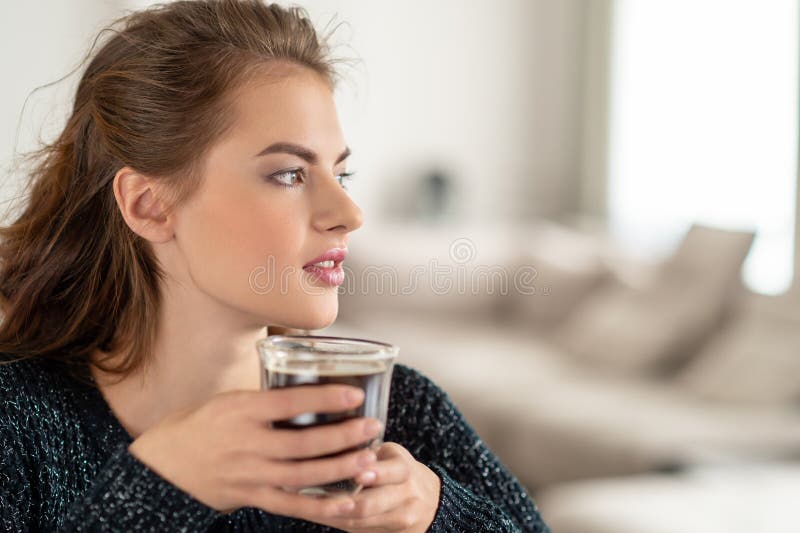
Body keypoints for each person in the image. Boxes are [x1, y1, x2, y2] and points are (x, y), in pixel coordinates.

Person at [0, 1, 550, 531]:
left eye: (342, 175)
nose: (350, 214)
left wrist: (441, 515)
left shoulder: (399, 415)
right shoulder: (19, 420)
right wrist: (159, 488)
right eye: (289, 173)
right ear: (149, 205)